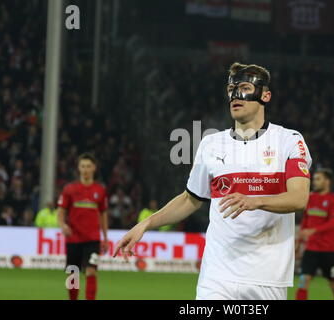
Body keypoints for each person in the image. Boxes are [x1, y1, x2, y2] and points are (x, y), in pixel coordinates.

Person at [114, 62, 312, 300]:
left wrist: (256, 201)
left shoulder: (289, 141)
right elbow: (190, 199)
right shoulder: (210, 143)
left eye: (246, 88)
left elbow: (299, 198)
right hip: (217, 275)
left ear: (265, 95)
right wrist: (144, 224)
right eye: (231, 90)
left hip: (266, 277)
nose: (235, 96)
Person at [57, 153, 109, 300]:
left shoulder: (100, 191)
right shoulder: (69, 189)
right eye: (82, 166)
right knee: (73, 273)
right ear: (78, 168)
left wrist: (104, 238)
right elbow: (60, 212)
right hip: (73, 238)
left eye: (88, 166)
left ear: (94, 168)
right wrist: (63, 226)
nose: (85, 169)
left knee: (91, 271)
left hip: (92, 239)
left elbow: (103, 215)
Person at [295, 168, 334, 300]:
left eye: (318, 179)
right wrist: (298, 242)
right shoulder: (310, 197)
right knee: (303, 282)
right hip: (311, 250)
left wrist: (314, 230)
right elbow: (305, 220)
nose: (314, 182)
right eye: (314, 179)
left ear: (327, 181)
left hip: (329, 251)